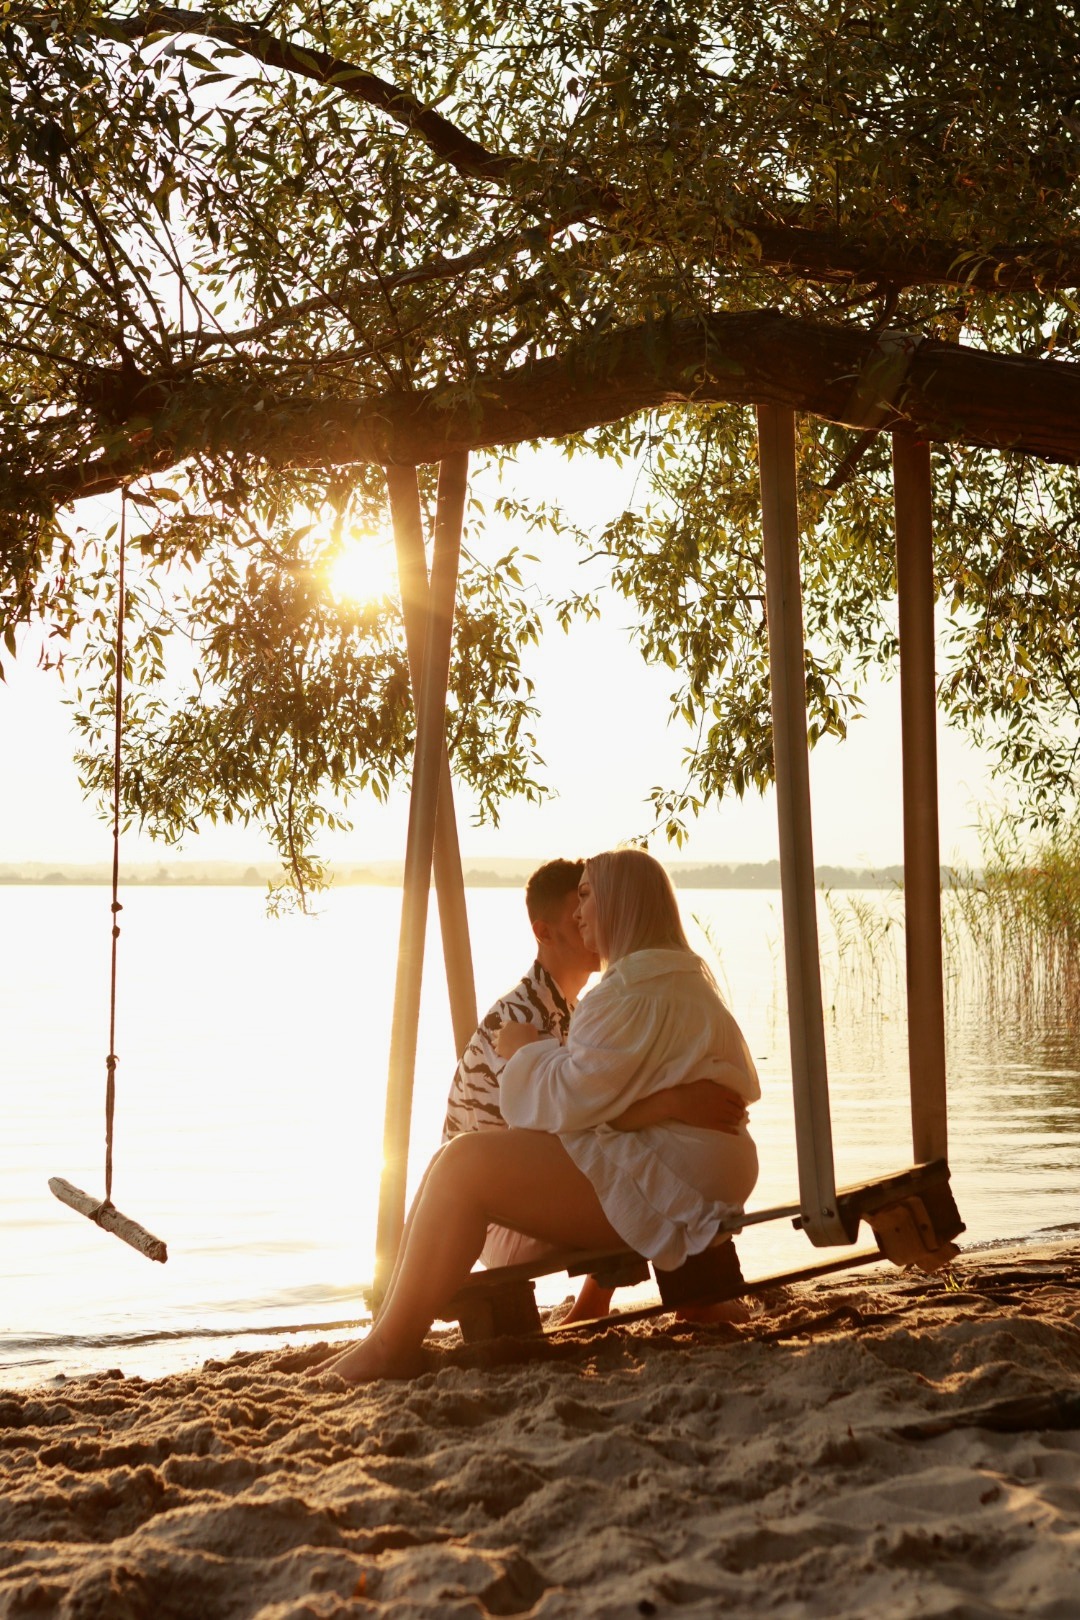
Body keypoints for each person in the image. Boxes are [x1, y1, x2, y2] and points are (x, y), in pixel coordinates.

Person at [322, 847, 759, 1383]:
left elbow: (563, 1109)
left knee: (460, 1166)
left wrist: (526, 1049)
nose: (580, 912)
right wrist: (668, 1105)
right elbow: (603, 1109)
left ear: (619, 905)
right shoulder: (685, 982)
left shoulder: (620, 996)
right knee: (456, 1161)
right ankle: (388, 1331)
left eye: (587, 897)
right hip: (697, 1173)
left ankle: (389, 1347)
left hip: (673, 1178)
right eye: (576, 901)